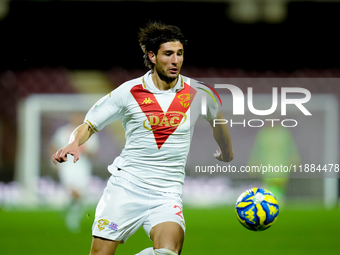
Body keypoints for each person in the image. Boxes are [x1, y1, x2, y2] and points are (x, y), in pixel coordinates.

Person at [52, 21, 234, 255]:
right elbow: (89, 125)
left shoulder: (199, 91)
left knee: (169, 252)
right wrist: (73, 143)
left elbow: (217, 119)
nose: (175, 60)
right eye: (168, 54)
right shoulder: (128, 91)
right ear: (152, 56)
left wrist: (227, 151)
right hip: (126, 187)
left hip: (167, 193)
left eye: (179, 54)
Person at [50, 112, 99, 232]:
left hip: (83, 168)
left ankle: (70, 214)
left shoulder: (88, 133)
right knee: (74, 192)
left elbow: (94, 152)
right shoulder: (63, 132)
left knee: (80, 195)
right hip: (67, 166)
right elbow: (53, 146)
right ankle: (71, 217)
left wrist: (85, 150)